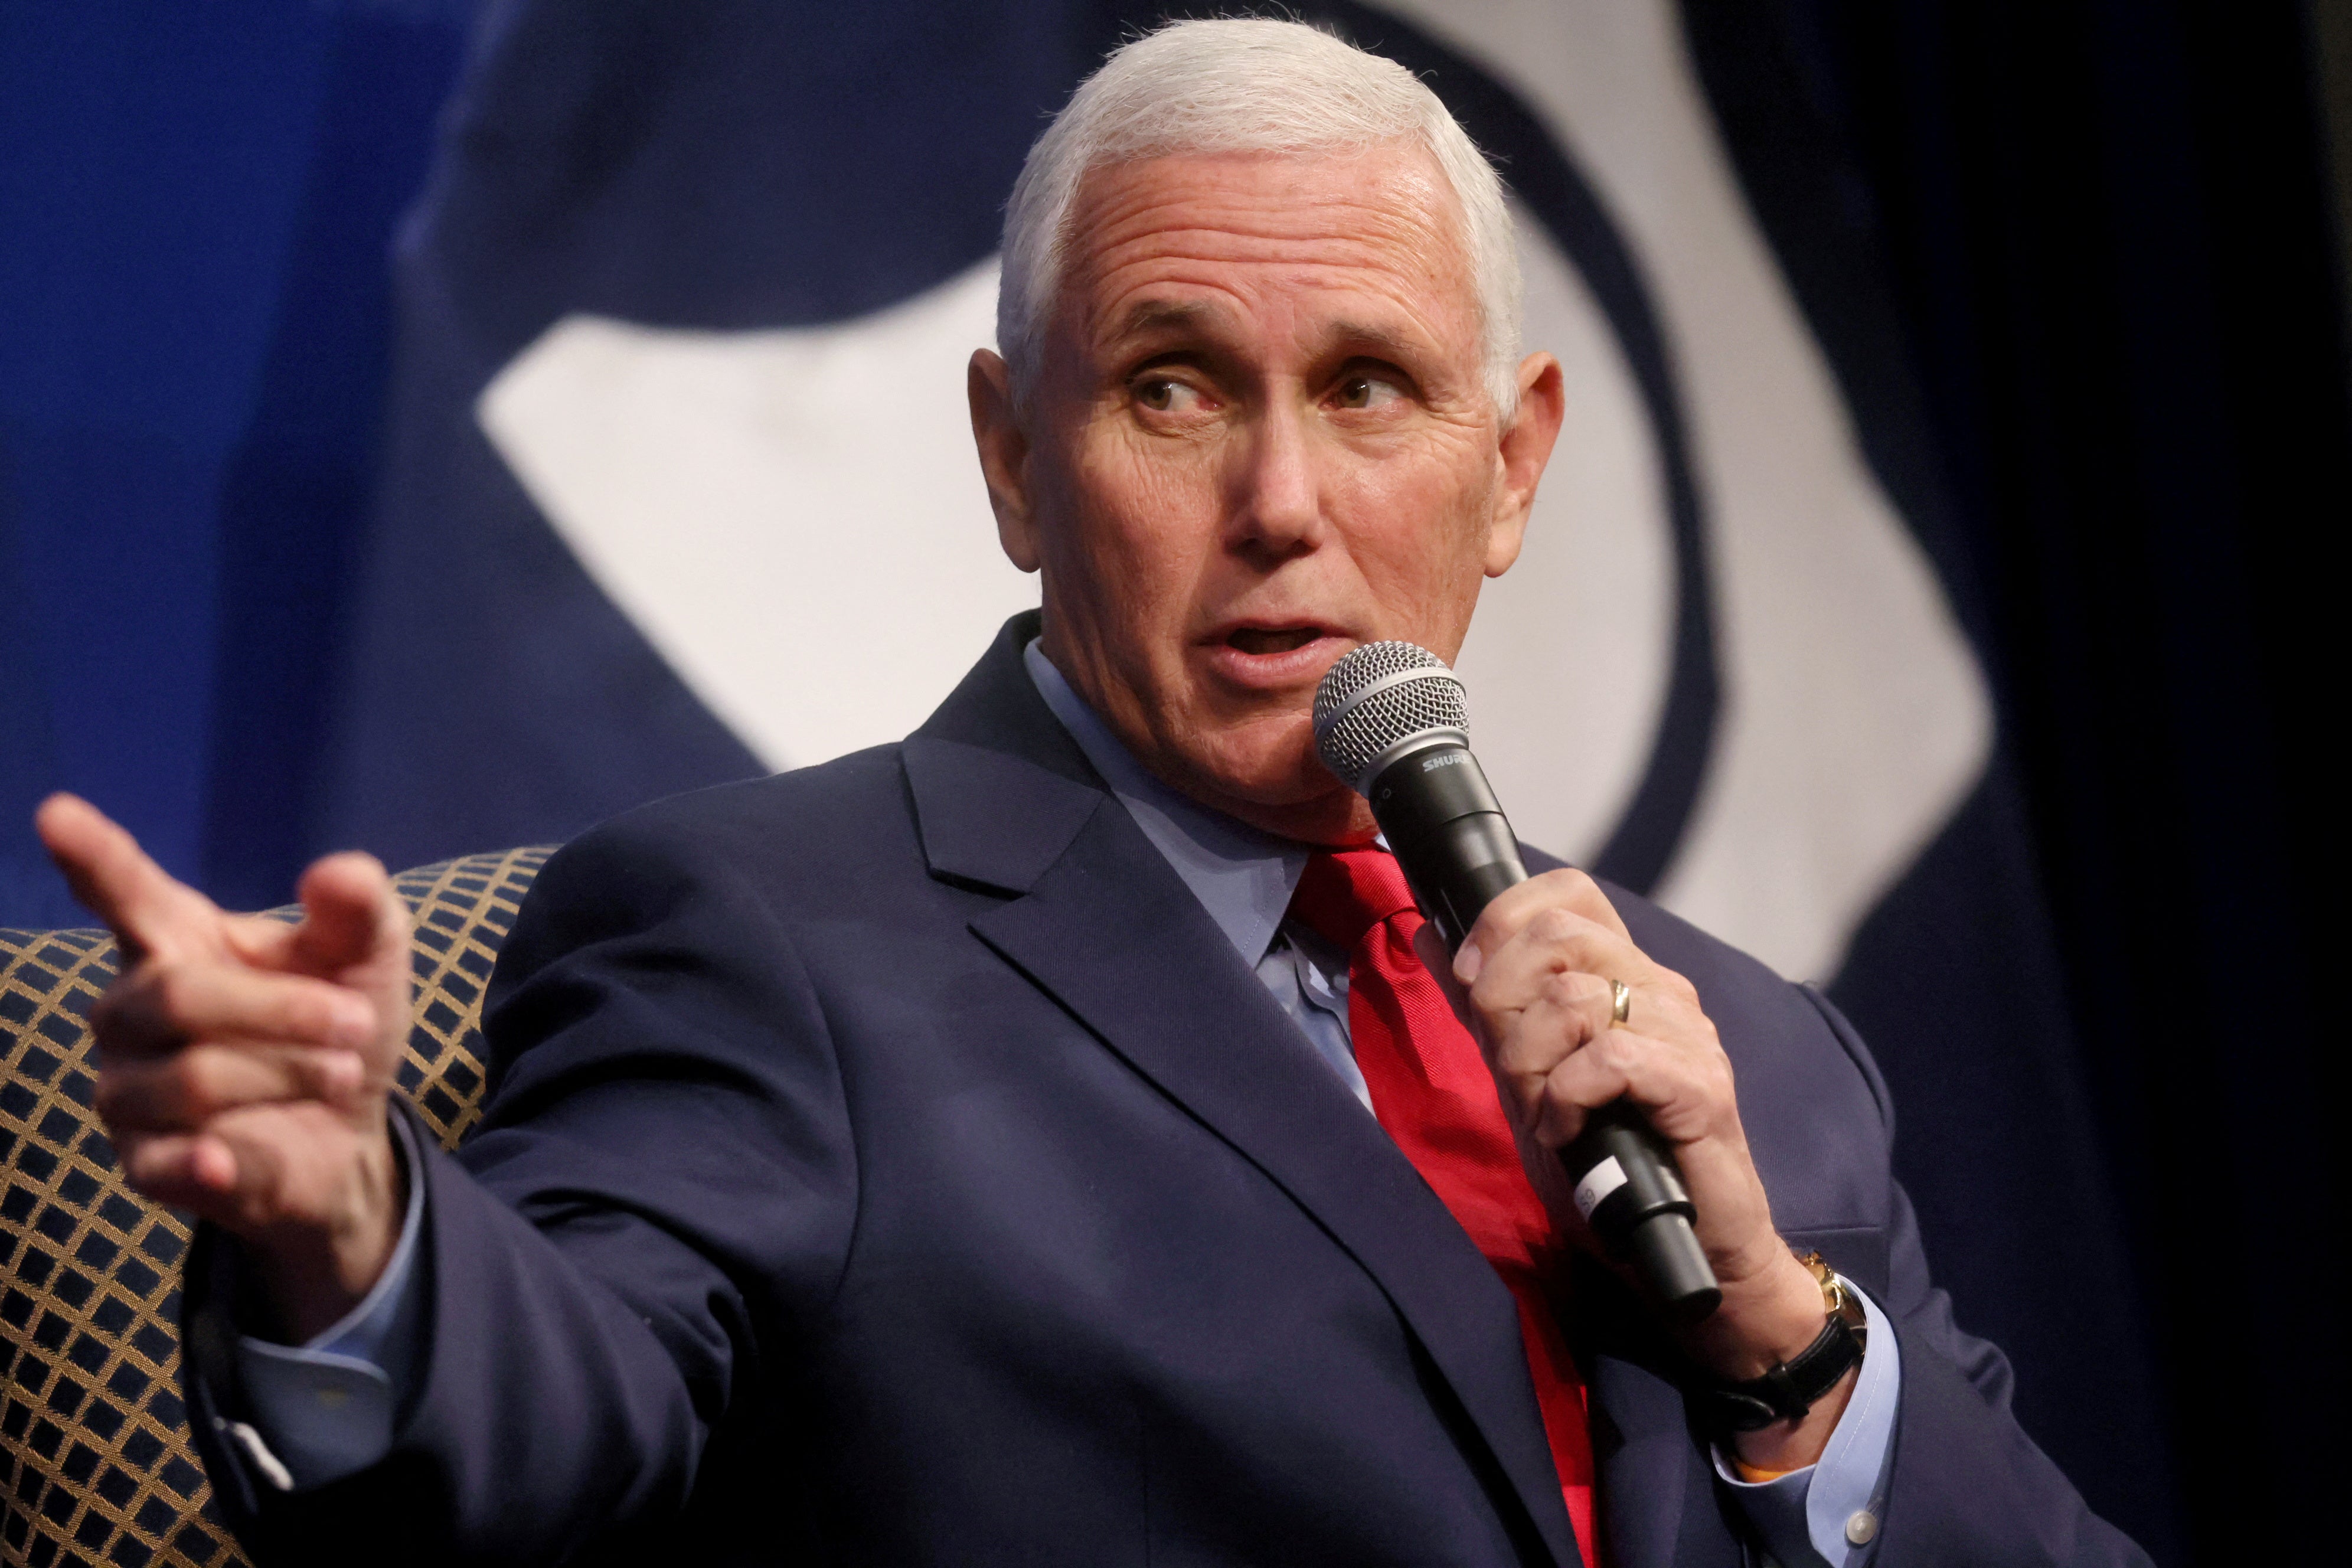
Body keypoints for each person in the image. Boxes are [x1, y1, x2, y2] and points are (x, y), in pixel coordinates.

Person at [38, 19, 2146, 1568]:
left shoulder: (1750, 1052)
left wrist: (1783, 1343)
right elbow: (567, 1432)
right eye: (1171, 388)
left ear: (1513, 467)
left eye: (1368, 389)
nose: (1282, 505)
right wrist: (357, 1234)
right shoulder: (772, 943)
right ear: (1015, 459)